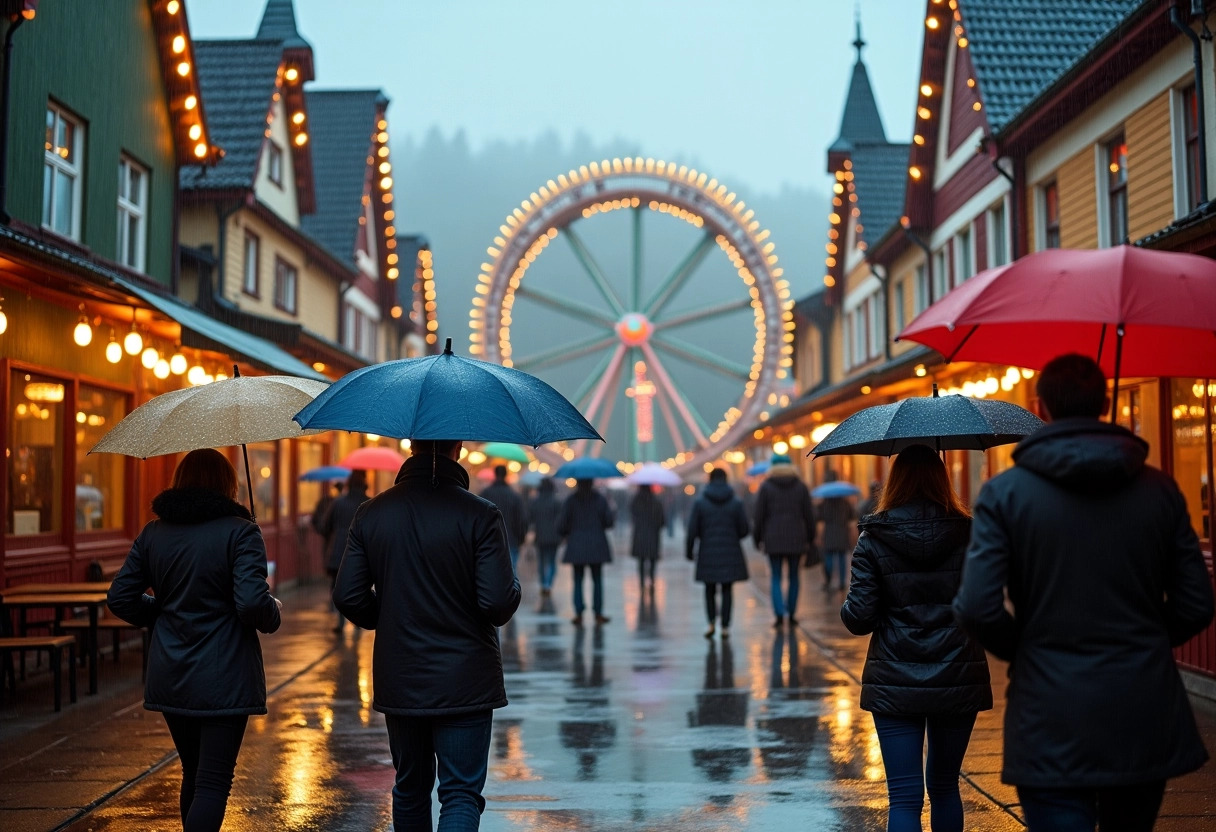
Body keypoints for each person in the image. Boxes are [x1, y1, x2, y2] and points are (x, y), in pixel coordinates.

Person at [954, 354, 1214, 832]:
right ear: (1107, 402)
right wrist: (1148, 640)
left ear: (1041, 407)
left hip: (1049, 707)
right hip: (1141, 704)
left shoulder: (1005, 493)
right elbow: (1198, 601)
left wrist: (1026, 648)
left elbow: (976, 605)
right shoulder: (1159, 490)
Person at [333, 439, 521, 831]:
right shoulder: (481, 514)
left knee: (410, 787)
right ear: (459, 449)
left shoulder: (372, 513)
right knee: (460, 793)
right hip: (466, 677)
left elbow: (348, 594)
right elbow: (498, 603)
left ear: (412, 448)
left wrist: (388, 619)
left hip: (401, 672)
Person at [108, 448, 281, 832]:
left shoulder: (154, 533)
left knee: (194, 770)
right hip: (226, 673)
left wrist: (164, 613)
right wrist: (274, 611)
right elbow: (253, 602)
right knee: (214, 780)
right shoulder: (241, 531)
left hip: (172, 670)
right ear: (227, 485)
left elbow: (120, 597)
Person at [841, 444, 991, 832]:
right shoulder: (971, 534)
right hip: (958, 675)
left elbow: (859, 618)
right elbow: (983, 606)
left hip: (894, 678)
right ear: (944, 480)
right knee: (944, 787)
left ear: (895, 482)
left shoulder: (874, 538)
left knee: (904, 798)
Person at [752, 453, 816, 627]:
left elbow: (759, 516)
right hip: (796, 538)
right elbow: (809, 516)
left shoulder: (766, 487)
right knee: (794, 576)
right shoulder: (801, 487)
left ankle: (779, 613)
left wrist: (757, 538)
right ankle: (792, 612)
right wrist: (811, 537)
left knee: (776, 576)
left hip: (773, 538)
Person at [686, 468, 749, 639]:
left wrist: (689, 551)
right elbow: (744, 530)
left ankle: (711, 622)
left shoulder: (700, 502)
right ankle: (726, 626)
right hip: (730, 552)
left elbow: (692, 530)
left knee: (709, 589)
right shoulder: (736, 502)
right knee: (727, 588)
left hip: (707, 551)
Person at [317, 469, 369, 633]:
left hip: (338, 550)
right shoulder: (369, 504)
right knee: (362, 586)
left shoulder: (338, 503)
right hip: (363, 552)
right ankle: (358, 623)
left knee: (338, 585)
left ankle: (340, 621)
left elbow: (324, 526)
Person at [559, 478, 615, 627]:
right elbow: (609, 522)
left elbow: (562, 523)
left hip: (577, 544)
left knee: (578, 579)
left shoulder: (571, 500)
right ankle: (598, 612)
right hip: (597, 544)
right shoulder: (600, 500)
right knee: (597, 579)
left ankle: (579, 612)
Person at [480, 464, 528, 574]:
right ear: (506, 475)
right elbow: (521, 519)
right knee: (510, 573)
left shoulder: (485, 494)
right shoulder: (514, 496)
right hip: (511, 540)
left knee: (490, 573)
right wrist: (521, 538)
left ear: (495, 474)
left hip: (488, 541)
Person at [819, 471, 857, 592]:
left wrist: (819, 536)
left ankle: (829, 580)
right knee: (841, 558)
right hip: (842, 533)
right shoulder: (845, 503)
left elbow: (820, 522)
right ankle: (841, 582)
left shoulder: (824, 503)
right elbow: (852, 520)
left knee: (829, 558)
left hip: (829, 534)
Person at [528, 477, 562, 596]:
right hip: (554, 537)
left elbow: (530, 518)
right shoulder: (556, 502)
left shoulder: (536, 502)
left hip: (540, 536)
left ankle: (543, 583)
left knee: (541, 561)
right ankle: (549, 584)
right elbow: (561, 520)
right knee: (552, 561)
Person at [630, 484, 666, 593]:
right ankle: (651, 581)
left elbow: (632, 515)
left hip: (640, 535)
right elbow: (662, 521)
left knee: (641, 561)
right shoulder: (657, 502)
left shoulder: (635, 502)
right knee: (652, 561)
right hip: (653, 535)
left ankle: (641, 583)